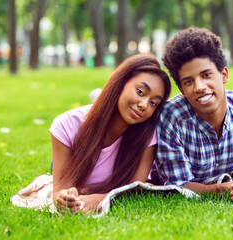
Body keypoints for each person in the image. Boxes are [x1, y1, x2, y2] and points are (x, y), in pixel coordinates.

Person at [150, 27, 233, 201]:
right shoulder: (170, 118)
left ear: (224, 74)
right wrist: (224, 189)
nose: (199, 87)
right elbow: (179, 186)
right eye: (188, 81)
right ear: (181, 90)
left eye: (206, 75)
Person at [50, 54, 171, 213]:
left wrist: (94, 200)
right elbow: (60, 191)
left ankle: (99, 97)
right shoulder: (66, 125)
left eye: (153, 102)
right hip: (77, 151)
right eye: (140, 92)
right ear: (120, 83)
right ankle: (99, 99)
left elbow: (132, 191)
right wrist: (65, 197)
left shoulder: (148, 136)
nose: (144, 105)